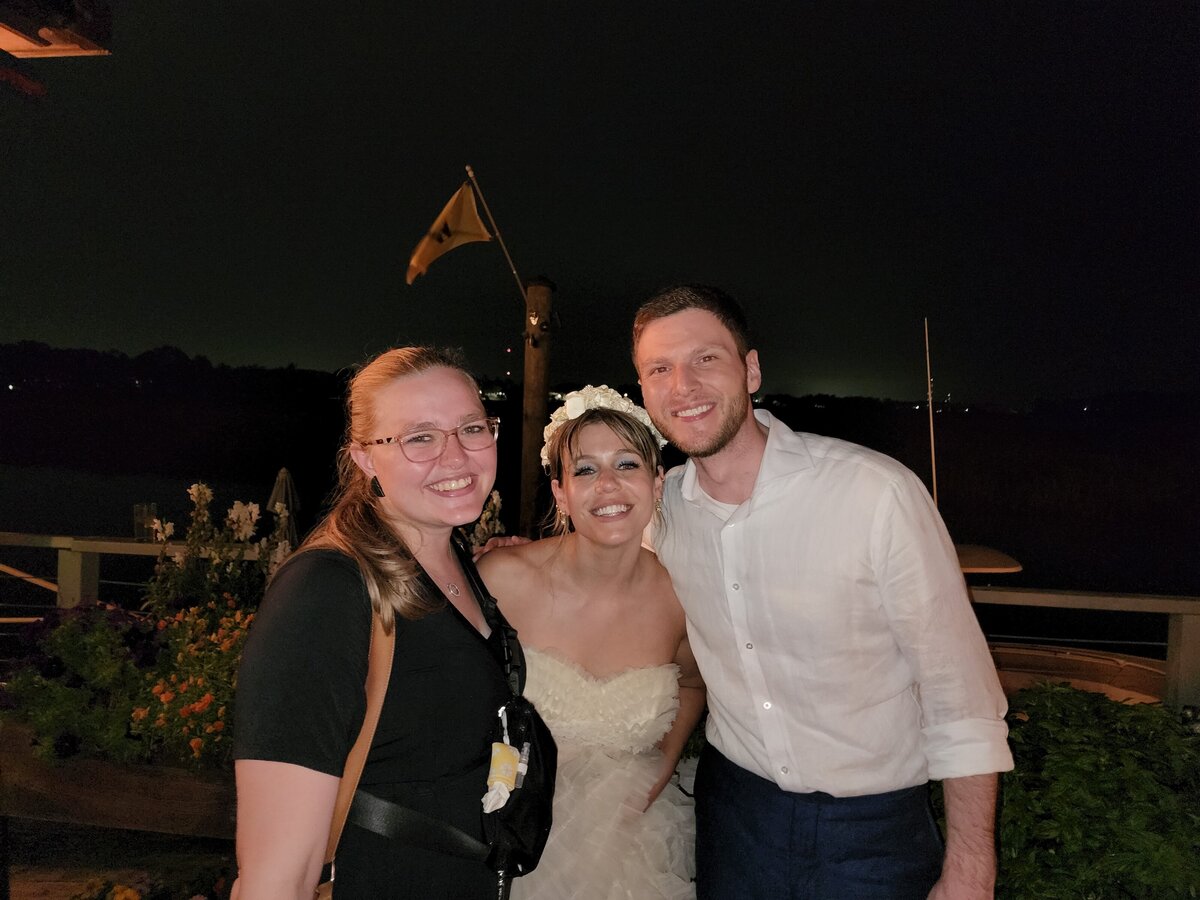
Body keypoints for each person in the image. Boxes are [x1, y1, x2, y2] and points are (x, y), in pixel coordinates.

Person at [631, 285, 1014, 900]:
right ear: (645, 392)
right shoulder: (663, 512)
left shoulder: (875, 494)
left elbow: (960, 694)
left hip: (875, 832)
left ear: (751, 370)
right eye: (659, 369)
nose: (683, 386)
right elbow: (598, 575)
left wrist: (971, 867)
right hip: (735, 819)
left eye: (706, 358)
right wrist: (514, 556)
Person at [232, 347, 512, 899]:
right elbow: (276, 872)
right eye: (419, 437)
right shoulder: (327, 590)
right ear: (364, 459)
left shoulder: (459, 563)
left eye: (471, 428)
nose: (455, 457)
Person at [477, 388, 705, 900]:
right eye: (585, 470)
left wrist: (659, 770)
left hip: (629, 851)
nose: (608, 485)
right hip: (506, 841)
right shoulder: (502, 579)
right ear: (560, 494)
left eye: (627, 464)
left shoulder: (682, 599)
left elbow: (692, 682)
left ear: (657, 483)